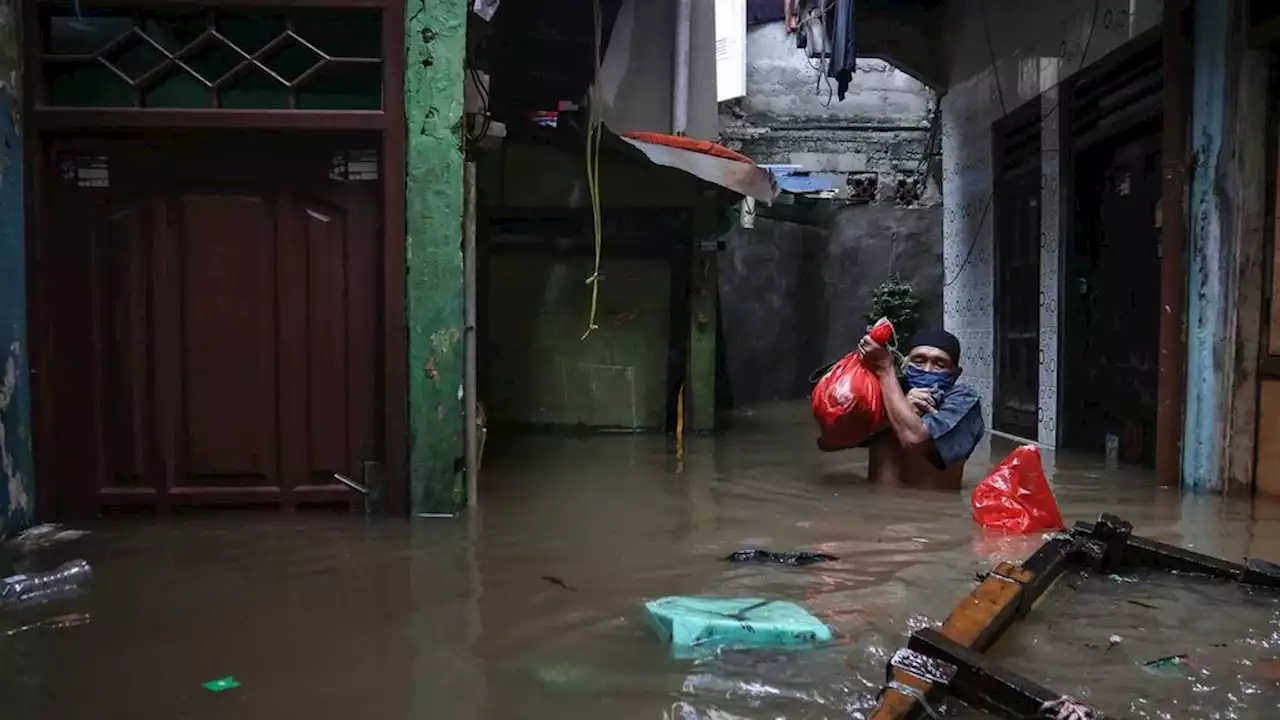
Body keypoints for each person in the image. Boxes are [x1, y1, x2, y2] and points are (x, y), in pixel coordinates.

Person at [855, 328, 985, 489]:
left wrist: (884, 369)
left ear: (955, 373)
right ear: (905, 363)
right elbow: (831, 441)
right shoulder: (884, 392)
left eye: (939, 364)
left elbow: (914, 438)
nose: (927, 370)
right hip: (874, 507)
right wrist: (898, 409)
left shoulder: (964, 401)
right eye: (918, 361)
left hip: (931, 511)